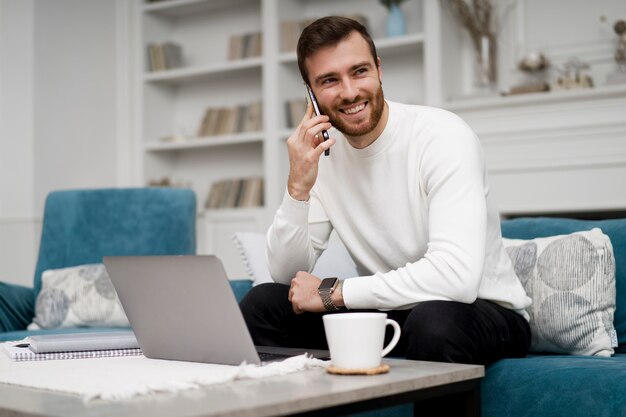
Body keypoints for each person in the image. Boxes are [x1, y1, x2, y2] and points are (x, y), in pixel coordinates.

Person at [239, 16, 532, 366]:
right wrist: (298, 186)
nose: (349, 92)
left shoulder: (443, 137)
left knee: (434, 322)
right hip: (391, 311)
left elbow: (457, 280)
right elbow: (288, 275)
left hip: (481, 313)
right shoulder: (324, 158)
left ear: (379, 69)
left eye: (359, 71)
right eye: (329, 80)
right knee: (263, 304)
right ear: (311, 94)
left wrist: (336, 293)